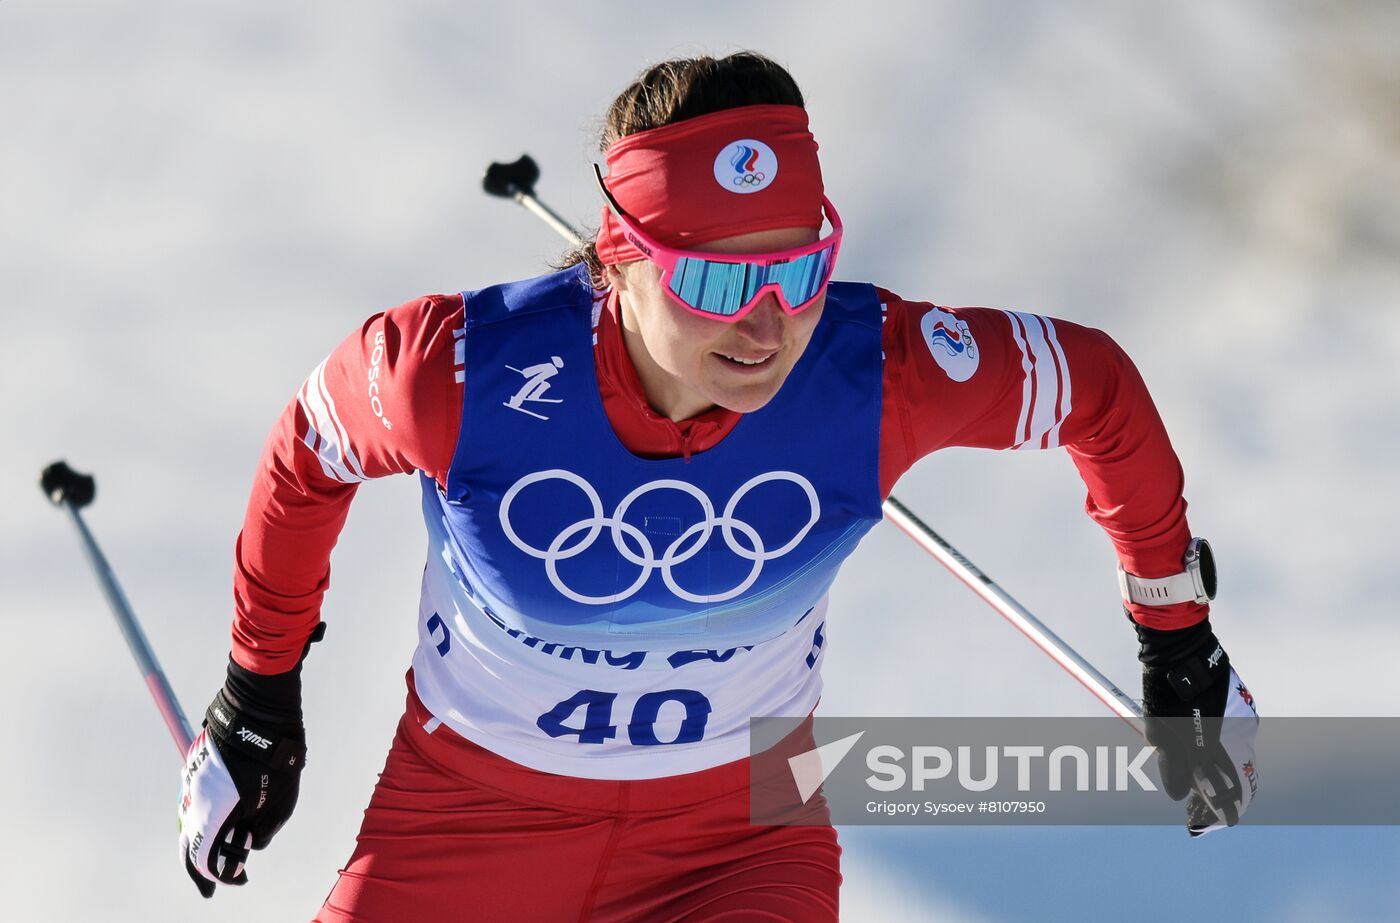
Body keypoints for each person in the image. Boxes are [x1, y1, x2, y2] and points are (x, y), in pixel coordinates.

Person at [177, 51, 1259, 921]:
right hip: (465, 825)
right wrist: (257, 694)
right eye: (712, 277)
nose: (765, 322)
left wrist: (1175, 631)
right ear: (617, 255)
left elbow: (1095, 389)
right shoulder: (452, 373)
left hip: (742, 835)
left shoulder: (870, 370)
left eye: (796, 267)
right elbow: (305, 452)